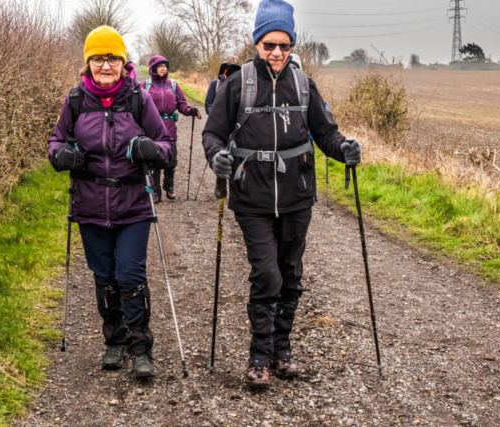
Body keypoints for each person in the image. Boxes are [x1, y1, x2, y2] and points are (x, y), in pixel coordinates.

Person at [202, 0, 362, 389]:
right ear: (257, 42)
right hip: (251, 196)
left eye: (284, 45)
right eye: (269, 44)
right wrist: (217, 158)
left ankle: (282, 349)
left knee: (291, 274)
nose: (276, 52)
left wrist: (343, 150)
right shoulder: (238, 83)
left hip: (297, 194)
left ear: (292, 45)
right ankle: (258, 357)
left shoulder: (304, 84)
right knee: (266, 274)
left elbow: (324, 132)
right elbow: (213, 134)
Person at [48, 26, 173, 378]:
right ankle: (114, 341)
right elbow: (55, 143)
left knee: (130, 275)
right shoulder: (75, 100)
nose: (106, 65)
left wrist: (151, 149)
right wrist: (62, 155)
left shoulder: (138, 98)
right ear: (88, 63)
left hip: (133, 203)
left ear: (123, 62)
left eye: (113, 58)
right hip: (89, 205)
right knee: (104, 277)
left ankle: (140, 347)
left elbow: (166, 147)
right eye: (99, 59)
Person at [143, 56, 199, 202]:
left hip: (169, 128)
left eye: (165, 66)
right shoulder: (145, 85)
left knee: (171, 160)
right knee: (154, 160)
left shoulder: (173, 85)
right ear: (153, 68)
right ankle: (155, 193)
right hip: (152, 128)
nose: (163, 68)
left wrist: (189, 110)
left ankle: (169, 187)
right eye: (160, 66)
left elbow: (181, 104)